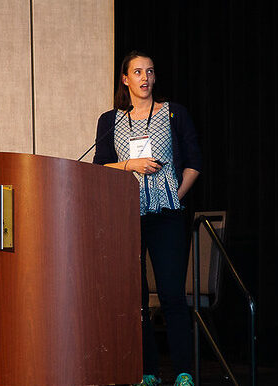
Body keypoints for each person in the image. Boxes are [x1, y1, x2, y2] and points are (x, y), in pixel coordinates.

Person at [93, 50, 202, 386]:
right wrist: (129, 165)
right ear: (125, 79)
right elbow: (99, 168)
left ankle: (184, 372)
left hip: (167, 216)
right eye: (137, 72)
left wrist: (175, 196)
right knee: (135, 299)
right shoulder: (110, 120)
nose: (145, 78)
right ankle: (147, 372)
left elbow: (194, 164)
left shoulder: (174, 114)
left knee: (171, 295)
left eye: (150, 71)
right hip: (127, 218)